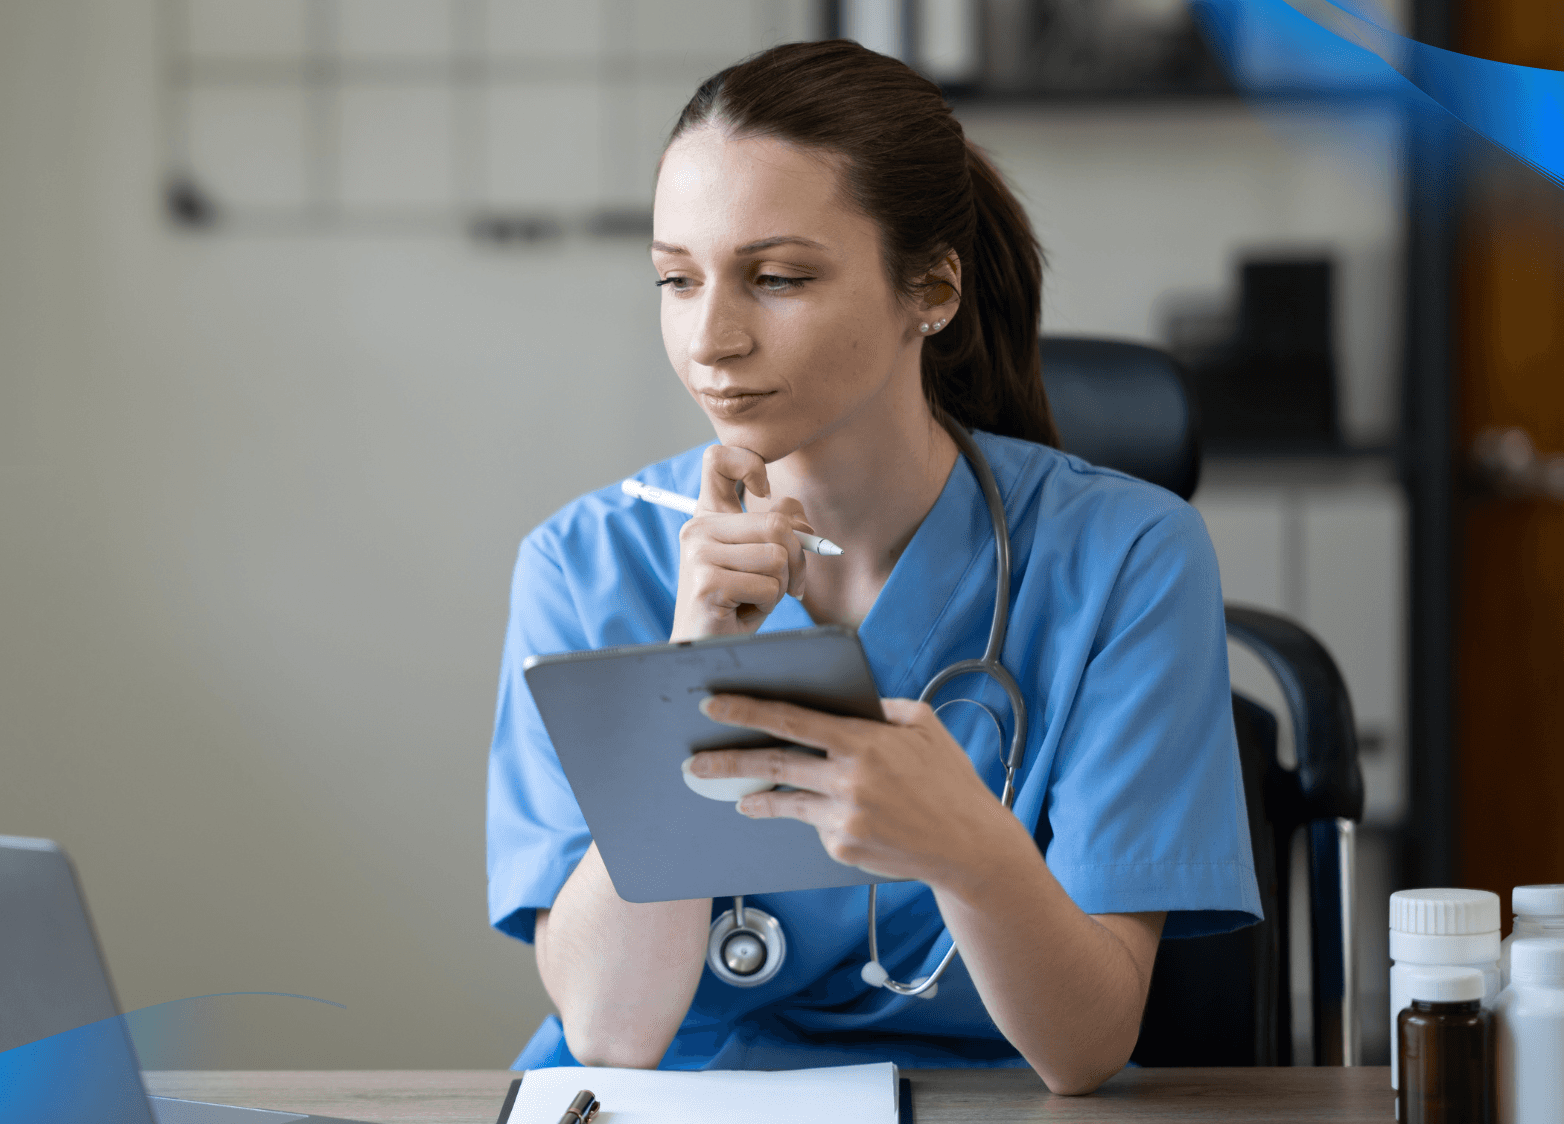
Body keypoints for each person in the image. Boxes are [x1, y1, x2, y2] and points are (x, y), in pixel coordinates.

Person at [484, 40, 1261, 1095]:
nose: (710, 338)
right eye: (676, 278)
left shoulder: (1123, 555)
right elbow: (613, 1032)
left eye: (777, 278)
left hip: (984, 1104)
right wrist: (689, 669)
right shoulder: (583, 564)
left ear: (930, 288)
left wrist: (967, 848)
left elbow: (1086, 1046)